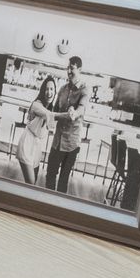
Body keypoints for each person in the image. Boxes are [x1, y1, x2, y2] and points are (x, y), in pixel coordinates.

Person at [43, 56, 87, 193]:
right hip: (57, 141)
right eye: (67, 67)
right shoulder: (62, 89)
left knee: (63, 180)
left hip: (71, 144)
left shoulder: (85, 90)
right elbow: (54, 111)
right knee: (50, 174)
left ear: (79, 69)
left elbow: (82, 108)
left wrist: (74, 113)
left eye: (72, 68)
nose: (68, 71)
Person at [16, 75, 56, 185]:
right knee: (30, 183)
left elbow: (52, 124)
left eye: (52, 89)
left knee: (33, 182)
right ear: (42, 91)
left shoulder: (50, 107)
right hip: (27, 143)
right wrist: (68, 115)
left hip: (37, 147)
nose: (49, 92)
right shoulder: (36, 104)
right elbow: (50, 115)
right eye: (47, 89)